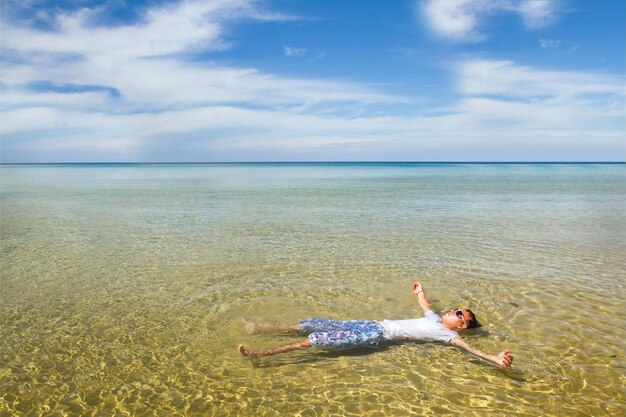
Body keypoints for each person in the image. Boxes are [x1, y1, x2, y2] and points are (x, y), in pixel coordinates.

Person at [237, 282, 513, 368]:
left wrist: (494, 358)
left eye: (460, 315)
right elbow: (426, 306)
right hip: (370, 323)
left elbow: (469, 350)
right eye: (456, 309)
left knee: (317, 340)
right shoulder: (434, 318)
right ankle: (258, 329)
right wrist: (419, 292)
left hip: (377, 334)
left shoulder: (447, 336)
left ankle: (261, 355)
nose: (454, 312)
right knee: (312, 323)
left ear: (462, 327)